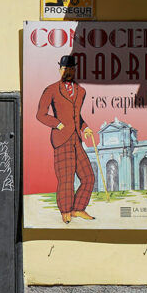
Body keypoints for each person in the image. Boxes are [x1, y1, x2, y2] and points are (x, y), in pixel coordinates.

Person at [35, 53, 95, 224]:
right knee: (66, 178)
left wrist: (85, 128)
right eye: (64, 68)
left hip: (76, 139)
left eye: (70, 69)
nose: (67, 71)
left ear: (74, 70)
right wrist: (57, 124)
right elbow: (40, 114)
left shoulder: (81, 91)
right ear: (59, 69)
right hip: (61, 139)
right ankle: (66, 211)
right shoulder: (51, 90)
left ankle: (78, 208)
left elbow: (77, 116)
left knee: (88, 177)